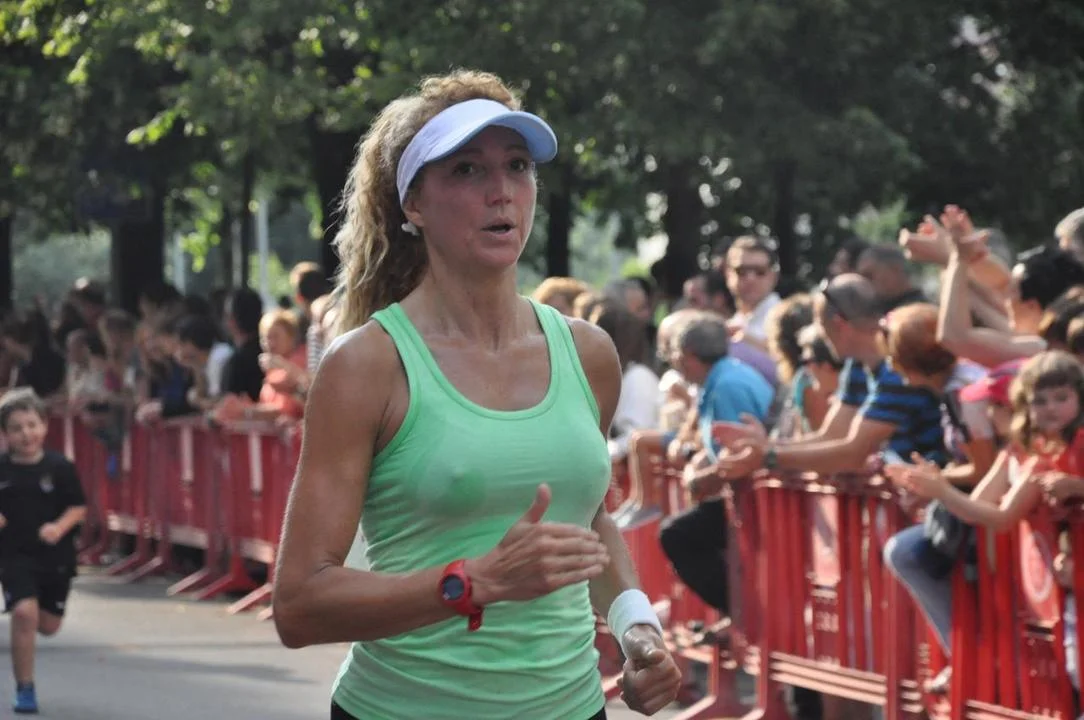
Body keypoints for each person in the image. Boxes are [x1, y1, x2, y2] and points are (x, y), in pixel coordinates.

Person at [271, 70, 682, 720]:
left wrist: (636, 630)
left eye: (517, 166)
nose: (501, 191)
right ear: (414, 204)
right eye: (466, 170)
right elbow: (298, 605)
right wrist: (473, 583)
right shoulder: (368, 365)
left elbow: (585, 523)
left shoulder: (588, 353)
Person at [0, 388, 87, 714]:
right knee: (24, 614)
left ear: (45, 426)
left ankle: (33, 619)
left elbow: (78, 507)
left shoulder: (60, 467)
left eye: (31, 425)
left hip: (55, 557)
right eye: (16, 428)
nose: (26, 434)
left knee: (48, 625)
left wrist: (59, 527)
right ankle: (25, 688)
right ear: (5, 433)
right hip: (13, 554)